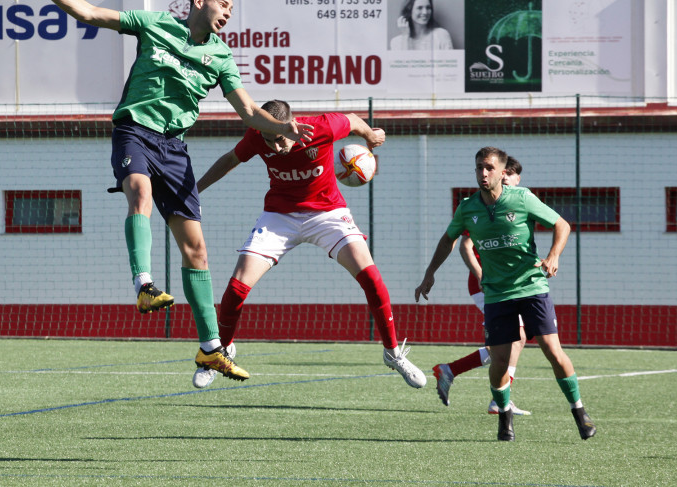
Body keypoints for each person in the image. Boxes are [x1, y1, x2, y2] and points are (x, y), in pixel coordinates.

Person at [10, 0, 313, 383]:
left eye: (231, 9)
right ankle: (144, 284)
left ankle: (211, 349)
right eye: (222, 4)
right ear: (198, 1)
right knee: (140, 194)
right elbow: (89, 14)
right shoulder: (155, 25)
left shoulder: (221, 56)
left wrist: (281, 127)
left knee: (197, 250)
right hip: (135, 130)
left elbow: (246, 110)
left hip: (175, 149)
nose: (226, 13)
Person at [191, 99, 426, 390]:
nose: (275, 148)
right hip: (279, 216)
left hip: (328, 213)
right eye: (268, 140)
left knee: (372, 278)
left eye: (279, 139)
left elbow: (352, 118)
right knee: (237, 287)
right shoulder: (256, 135)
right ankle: (220, 352)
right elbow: (230, 159)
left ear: (292, 126)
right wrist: (195, 190)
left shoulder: (321, 127)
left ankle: (392, 354)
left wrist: (369, 135)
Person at [415, 147, 596, 441]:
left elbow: (562, 225)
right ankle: (504, 419)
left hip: (532, 287)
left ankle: (579, 413)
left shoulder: (522, 198)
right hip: (497, 294)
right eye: (478, 168)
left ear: (502, 172)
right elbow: (449, 240)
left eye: (488, 168)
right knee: (499, 360)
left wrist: (553, 255)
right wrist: (429, 274)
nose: (483, 174)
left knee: (553, 351)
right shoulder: (468, 208)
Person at [431, 156, 530, 416]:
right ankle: (497, 400)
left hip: (507, 284)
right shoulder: (483, 205)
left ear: (517, 179)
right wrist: (481, 275)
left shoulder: (515, 203)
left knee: (514, 340)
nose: (505, 178)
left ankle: (455, 373)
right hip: (488, 284)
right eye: (503, 173)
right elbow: (465, 245)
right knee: (513, 339)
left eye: (510, 175)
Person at [389, 0, 453, 51]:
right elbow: (402, 62)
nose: (425, 12)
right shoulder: (396, 42)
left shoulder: (441, 34)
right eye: (419, 8)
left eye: (428, 8)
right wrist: (405, 36)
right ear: (409, 11)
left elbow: (450, 62)